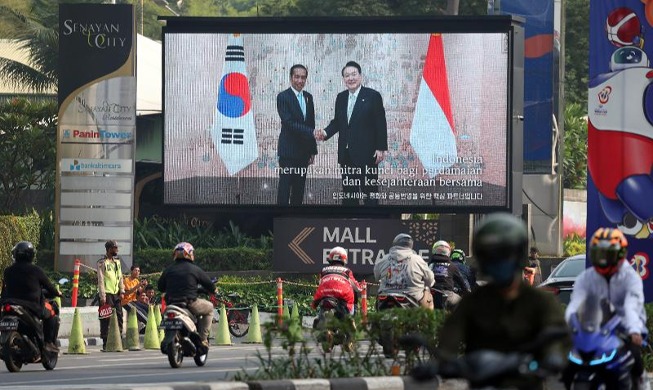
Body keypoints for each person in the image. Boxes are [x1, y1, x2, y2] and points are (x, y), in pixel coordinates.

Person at [437, 213, 570, 390]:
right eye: (491, 255)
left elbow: (558, 339)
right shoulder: (472, 303)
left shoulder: (541, 302)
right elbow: (450, 339)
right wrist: (440, 363)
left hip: (526, 384)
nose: (499, 262)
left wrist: (553, 357)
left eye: (505, 254)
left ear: (518, 255)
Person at [564, 227, 648, 389]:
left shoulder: (631, 278)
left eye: (607, 255)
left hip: (625, 327)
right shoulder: (586, 278)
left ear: (620, 255)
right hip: (594, 328)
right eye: (599, 254)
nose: (603, 260)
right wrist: (569, 324)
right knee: (569, 365)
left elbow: (631, 306)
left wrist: (633, 330)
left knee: (634, 354)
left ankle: (641, 381)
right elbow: (574, 304)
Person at [315, 60, 388, 206]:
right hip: (346, 155)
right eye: (347, 75)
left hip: (367, 155)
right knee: (349, 195)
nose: (351, 78)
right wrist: (325, 132)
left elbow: (380, 123)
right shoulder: (341, 97)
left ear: (360, 76)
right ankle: (349, 223)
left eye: (354, 74)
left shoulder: (373, 96)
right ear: (343, 79)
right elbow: (338, 122)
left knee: (370, 193)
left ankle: (373, 225)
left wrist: (381, 148)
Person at [0, 241, 61, 352]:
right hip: (31, 306)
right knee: (52, 311)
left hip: (9, 304)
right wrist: (57, 293)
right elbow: (49, 287)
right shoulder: (36, 270)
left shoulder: (7, 271)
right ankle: (48, 343)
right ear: (31, 255)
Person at [157, 242, 216, 347]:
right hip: (190, 303)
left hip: (171, 304)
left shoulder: (168, 269)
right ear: (189, 254)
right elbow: (209, 285)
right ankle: (203, 339)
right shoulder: (194, 269)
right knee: (210, 308)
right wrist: (214, 290)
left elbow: (160, 287)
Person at [276, 64, 318, 206]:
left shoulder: (308, 97)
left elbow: (311, 123)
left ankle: (296, 221)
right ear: (291, 78)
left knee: (299, 190)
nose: (300, 80)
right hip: (288, 152)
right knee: (285, 189)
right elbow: (289, 122)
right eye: (297, 77)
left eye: (303, 77)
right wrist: (311, 132)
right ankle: (281, 221)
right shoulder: (283, 97)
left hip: (304, 153)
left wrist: (313, 151)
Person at [374, 233, 435, 308]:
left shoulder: (384, 259)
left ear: (394, 244)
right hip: (413, 298)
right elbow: (430, 280)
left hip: (385, 298)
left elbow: (376, 277)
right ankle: (426, 319)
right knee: (429, 295)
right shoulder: (418, 260)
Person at [312, 246, 362, 316]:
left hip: (325, 299)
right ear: (344, 259)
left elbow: (320, 283)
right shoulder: (347, 271)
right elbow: (357, 288)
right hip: (342, 301)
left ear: (330, 258)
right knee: (350, 315)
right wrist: (361, 286)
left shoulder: (323, 270)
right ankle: (350, 322)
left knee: (319, 310)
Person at [97, 239, 125, 351]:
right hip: (107, 294)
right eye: (115, 248)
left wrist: (122, 290)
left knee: (119, 316)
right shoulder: (102, 262)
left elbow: (120, 277)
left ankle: (119, 340)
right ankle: (105, 342)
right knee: (105, 318)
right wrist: (102, 296)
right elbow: (100, 280)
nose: (117, 250)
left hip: (116, 293)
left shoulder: (117, 262)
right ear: (109, 249)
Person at [428, 240, 470, 310]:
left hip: (432, 295)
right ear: (448, 252)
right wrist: (467, 292)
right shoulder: (452, 266)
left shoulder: (430, 265)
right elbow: (462, 282)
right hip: (447, 295)